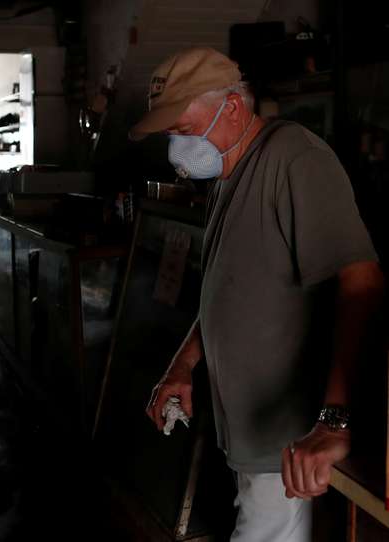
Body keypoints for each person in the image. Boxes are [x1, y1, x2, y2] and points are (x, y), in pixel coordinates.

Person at [130, 47, 384, 541]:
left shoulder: (295, 158)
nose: (175, 145)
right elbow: (226, 290)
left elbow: (363, 283)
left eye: (182, 129)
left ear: (232, 108)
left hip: (291, 441)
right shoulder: (227, 171)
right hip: (250, 429)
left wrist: (334, 421)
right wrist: (183, 365)